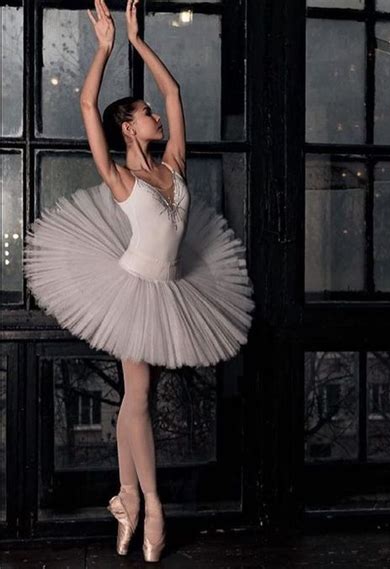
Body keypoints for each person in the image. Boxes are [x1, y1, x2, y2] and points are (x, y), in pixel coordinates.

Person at [22, 0, 255, 563]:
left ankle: (126, 496)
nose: (156, 116)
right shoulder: (119, 175)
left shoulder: (174, 161)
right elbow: (85, 103)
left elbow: (174, 92)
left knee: (134, 399)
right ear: (128, 127)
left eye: (153, 113)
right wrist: (104, 49)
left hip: (175, 285)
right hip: (130, 287)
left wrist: (138, 38)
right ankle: (152, 504)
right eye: (145, 113)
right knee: (140, 397)